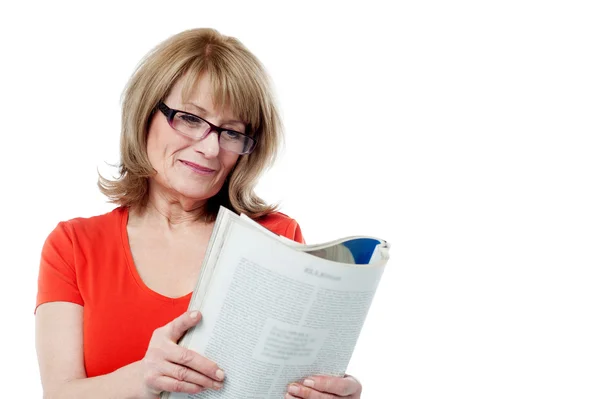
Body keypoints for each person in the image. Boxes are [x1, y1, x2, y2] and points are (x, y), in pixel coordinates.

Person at [35, 28, 363, 399]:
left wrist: (326, 393)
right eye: (190, 119)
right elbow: (59, 394)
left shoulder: (276, 238)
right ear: (145, 115)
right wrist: (146, 378)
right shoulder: (74, 246)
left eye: (232, 132)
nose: (210, 148)